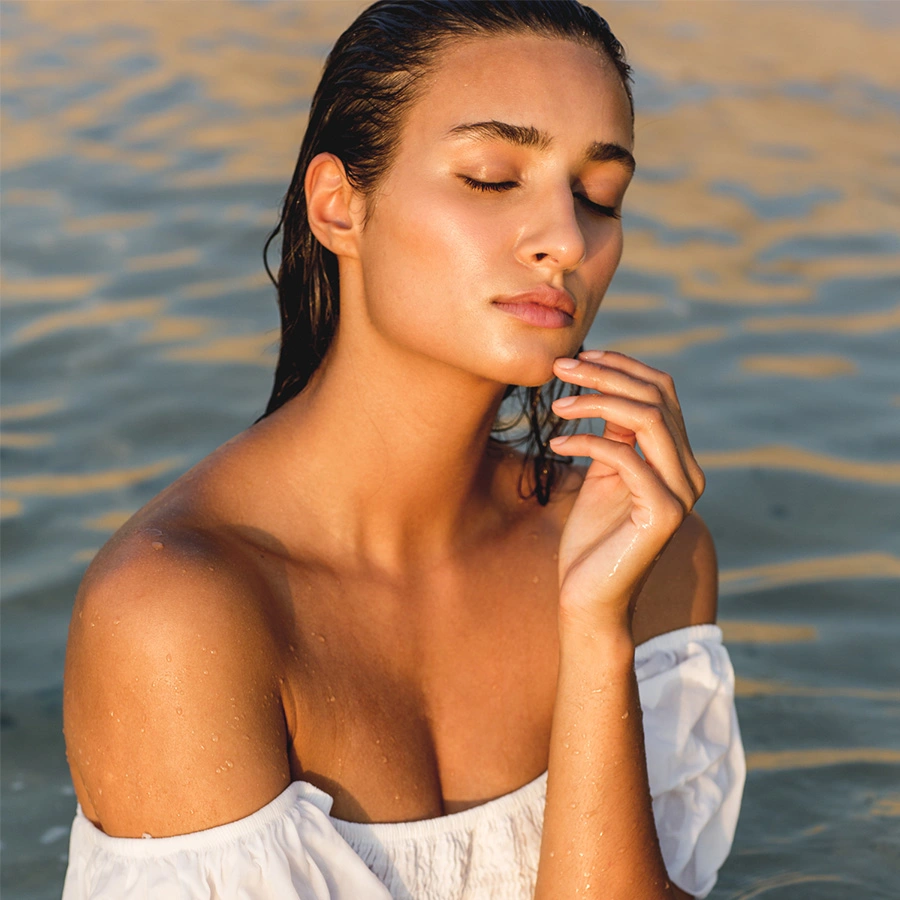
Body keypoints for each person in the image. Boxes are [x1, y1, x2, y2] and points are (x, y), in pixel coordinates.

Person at [61, 2, 744, 898]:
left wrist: (592, 634)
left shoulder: (646, 554)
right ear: (339, 208)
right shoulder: (178, 614)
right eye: (495, 177)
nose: (568, 241)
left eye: (598, 195)